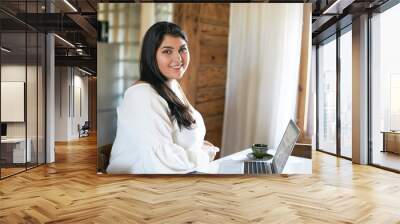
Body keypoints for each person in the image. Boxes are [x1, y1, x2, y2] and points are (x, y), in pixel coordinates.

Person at [107, 21, 219, 174]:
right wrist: (202, 155)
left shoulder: (171, 85)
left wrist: (197, 146)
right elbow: (161, 162)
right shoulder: (142, 95)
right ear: (152, 56)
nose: (178, 58)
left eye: (182, 50)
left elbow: (176, 135)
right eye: (167, 51)